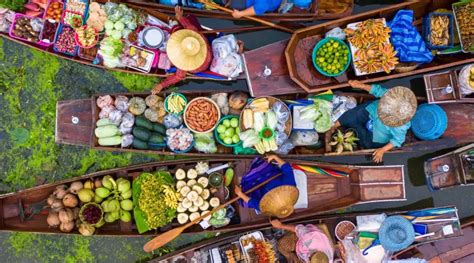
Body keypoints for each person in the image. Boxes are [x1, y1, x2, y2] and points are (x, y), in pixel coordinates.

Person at [330, 80, 417, 163]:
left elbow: (398, 140)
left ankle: (352, 126)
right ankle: (337, 123)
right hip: (370, 111)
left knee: (364, 140)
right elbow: (377, 90)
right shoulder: (393, 96)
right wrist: (361, 85)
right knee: (354, 114)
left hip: (375, 134)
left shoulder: (400, 126)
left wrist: (382, 150)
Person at [151, 6, 212, 94]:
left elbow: (178, 77)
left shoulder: (185, 64)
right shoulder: (197, 37)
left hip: (200, 66)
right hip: (205, 53)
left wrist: (162, 85)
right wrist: (180, 17)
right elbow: (188, 26)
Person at [235, 154, 299, 218]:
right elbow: (287, 169)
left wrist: (240, 194)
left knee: (244, 199)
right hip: (271, 175)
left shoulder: (267, 207)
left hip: (259, 188)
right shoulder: (290, 188)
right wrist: (275, 157)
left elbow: (251, 202)